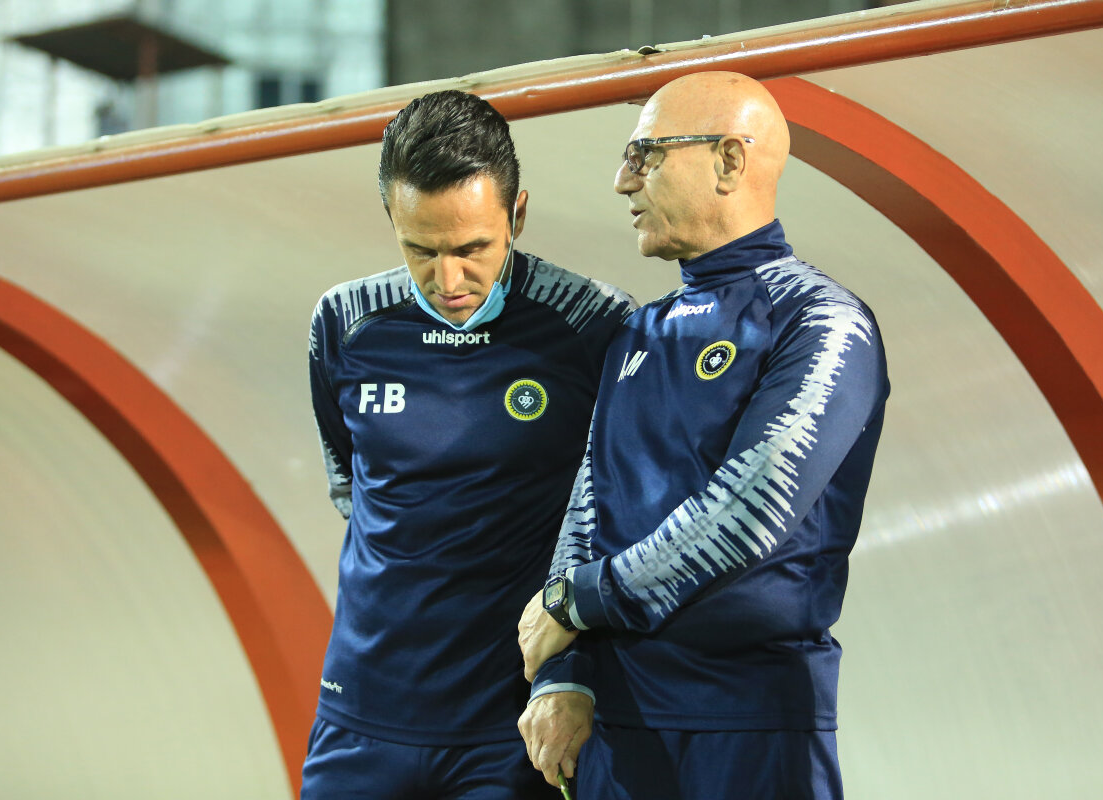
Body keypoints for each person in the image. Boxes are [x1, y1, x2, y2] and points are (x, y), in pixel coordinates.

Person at [517, 71, 890, 798]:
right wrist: (563, 675)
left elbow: (750, 510)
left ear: (728, 160)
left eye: (646, 155)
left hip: (753, 728)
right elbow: (589, 504)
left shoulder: (822, 322)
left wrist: (574, 603)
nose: (623, 181)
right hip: (617, 731)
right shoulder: (638, 331)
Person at [302, 89, 634, 799]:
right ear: (392, 219)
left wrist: (574, 675)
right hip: (359, 716)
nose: (448, 280)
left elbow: (616, 512)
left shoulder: (594, 324)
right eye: (420, 249)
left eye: (471, 248)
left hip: (513, 729)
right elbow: (353, 488)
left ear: (518, 214)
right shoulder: (343, 322)